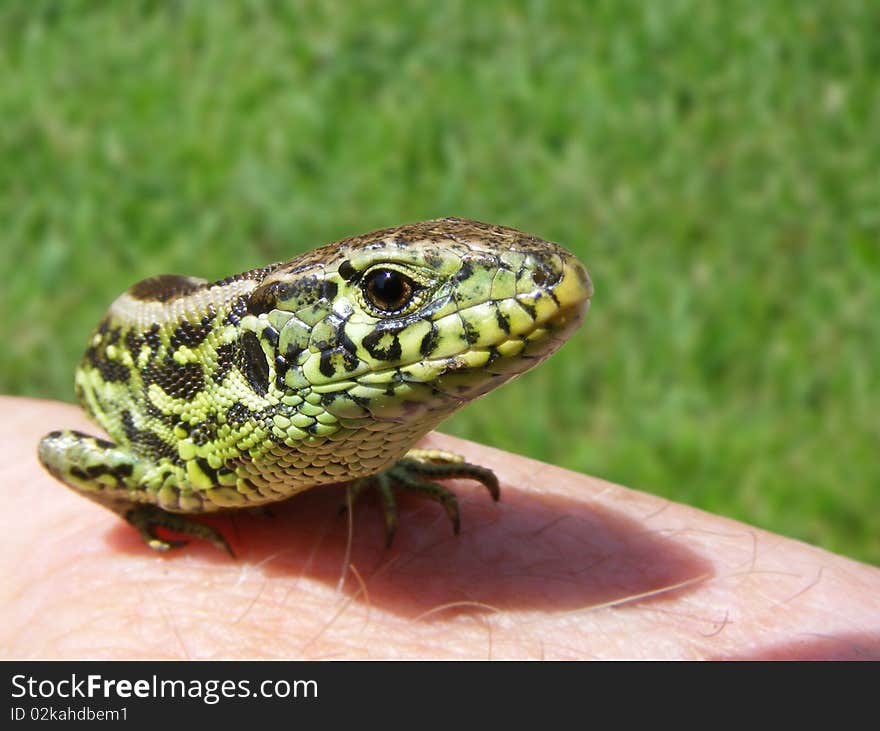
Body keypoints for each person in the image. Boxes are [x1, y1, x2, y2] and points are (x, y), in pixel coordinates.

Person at [3, 396, 877, 659]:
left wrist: (375, 457)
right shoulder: (186, 468)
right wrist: (149, 510)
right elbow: (58, 449)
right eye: (389, 293)